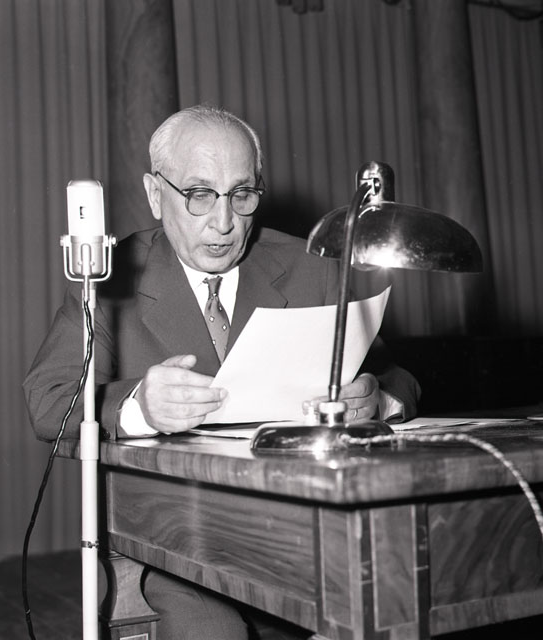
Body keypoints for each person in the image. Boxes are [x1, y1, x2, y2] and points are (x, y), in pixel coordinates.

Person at [23, 104, 421, 639]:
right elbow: (47, 397)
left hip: (300, 536)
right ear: (155, 193)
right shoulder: (107, 277)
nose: (224, 221)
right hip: (169, 546)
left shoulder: (314, 268)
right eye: (199, 194)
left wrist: (377, 399)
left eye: (242, 194)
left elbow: (397, 378)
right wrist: (139, 407)